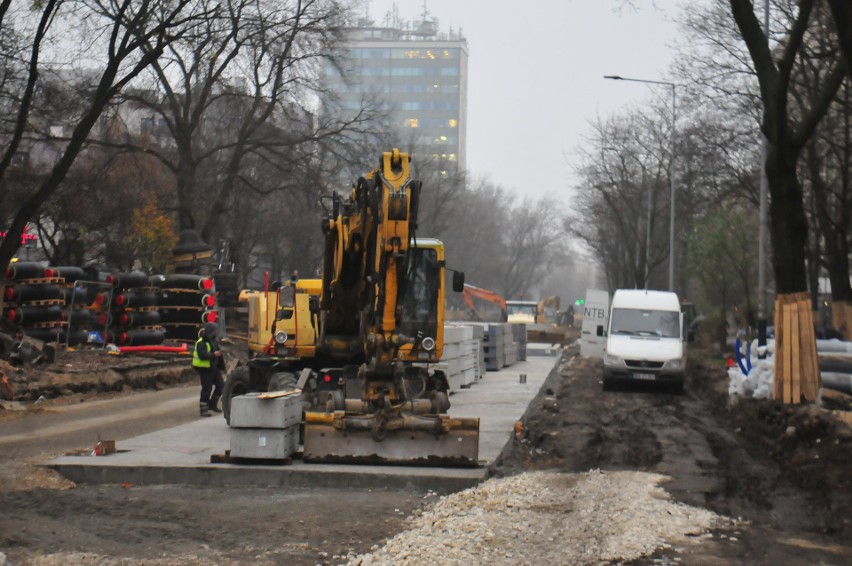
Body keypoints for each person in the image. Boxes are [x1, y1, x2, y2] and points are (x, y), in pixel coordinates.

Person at [192, 323, 224, 417]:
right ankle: (204, 409)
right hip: (205, 368)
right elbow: (202, 355)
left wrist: (221, 365)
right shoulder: (201, 342)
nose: (216, 332)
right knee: (206, 389)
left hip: (214, 368)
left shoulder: (213, 340)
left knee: (221, 386)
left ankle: (212, 405)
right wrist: (214, 355)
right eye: (215, 330)